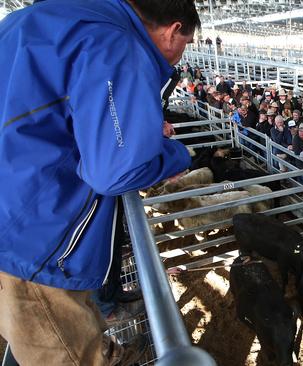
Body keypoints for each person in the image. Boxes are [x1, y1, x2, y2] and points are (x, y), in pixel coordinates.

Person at [0, 0, 200, 364]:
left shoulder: (33, 19)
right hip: (36, 237)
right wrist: (176, 154)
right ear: (172, 30)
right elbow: (115, 172)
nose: (178, 56)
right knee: (69, 351)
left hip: (12, 208)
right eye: (185, 44)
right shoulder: (118, 44)